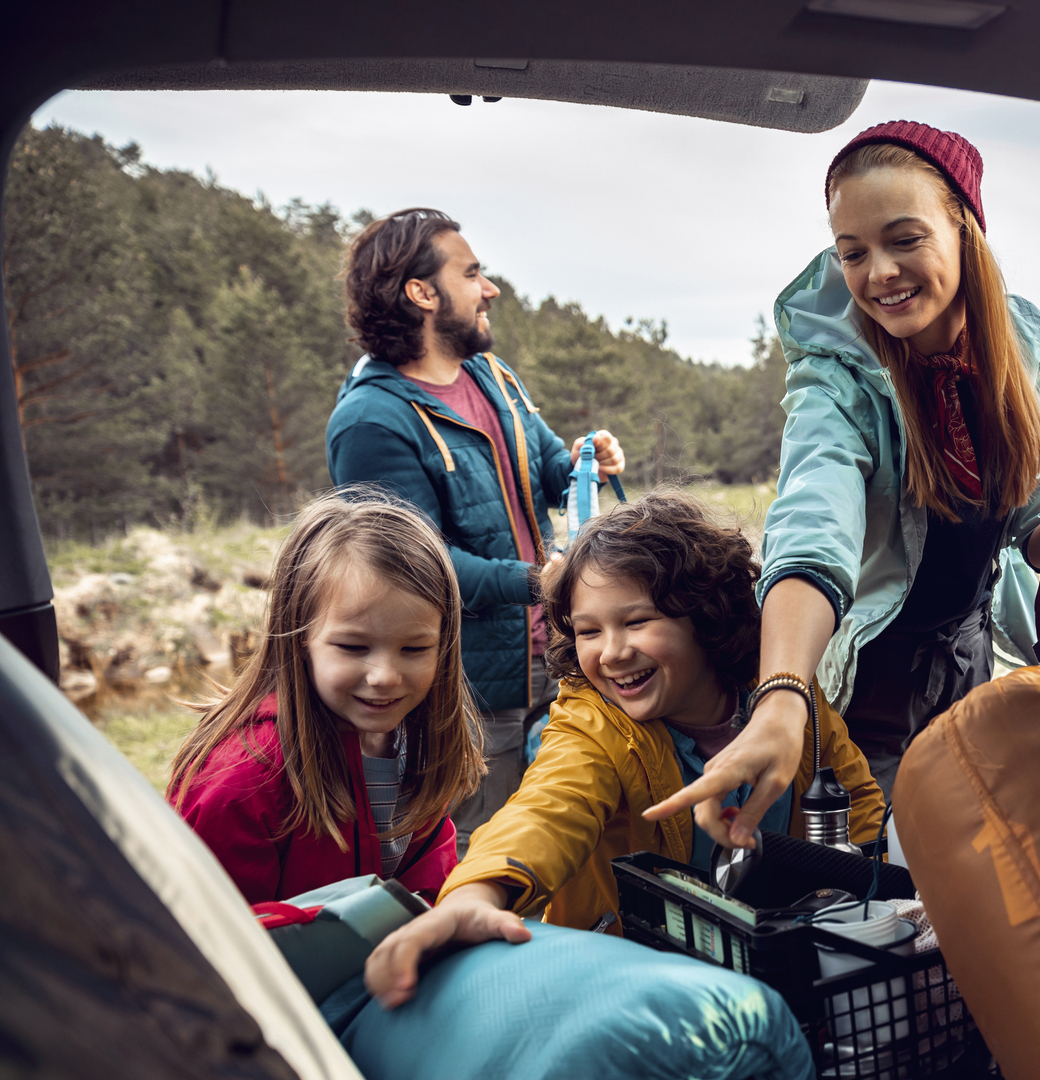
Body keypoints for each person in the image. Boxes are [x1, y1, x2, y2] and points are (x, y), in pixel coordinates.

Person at [646, 121, 1040, 850]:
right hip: (871, 689)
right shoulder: (836, 382)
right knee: (881, 884)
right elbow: (810, 528)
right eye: (852, 252)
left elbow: (1034, 527)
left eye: (904, 239)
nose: (878, 272)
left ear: (964, 229)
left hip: (973, 662)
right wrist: (785, 694)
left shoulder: (1017, 356)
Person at [363, 492, 882, 1006]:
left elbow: (853, 800)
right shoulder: (593, 722)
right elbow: (547, 809)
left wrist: (867, 906)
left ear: (706, 614)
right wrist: (477, 893)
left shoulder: (781, 696)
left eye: (636, 622)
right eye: (588, 631)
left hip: (789, 965)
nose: (612, 652)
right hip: (635, 985)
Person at [327, 207, 626, 852]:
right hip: (470, 688)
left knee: (565, 835)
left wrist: (583, 460)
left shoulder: (490, 376)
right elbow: (408, 570)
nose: (489, 289)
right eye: (472, 273)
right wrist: (539, 580)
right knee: (475, 849)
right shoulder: (371, 422)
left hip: (557, 659)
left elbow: (541, 467)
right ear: (422, 293)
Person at [169, 491, 486, 904]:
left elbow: (428, 879)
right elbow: (215, 932)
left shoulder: (414, 739)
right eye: (353, 647)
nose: (385, 677)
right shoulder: (244, 778)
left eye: (414, 649)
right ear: (299, 636)